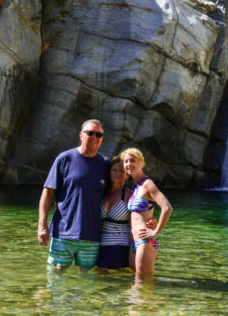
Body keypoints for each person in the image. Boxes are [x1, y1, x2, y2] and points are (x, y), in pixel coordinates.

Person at [37, 119, 110, 269]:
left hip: (92, 236)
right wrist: (42, 226)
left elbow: (118, 194)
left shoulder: (106, 164)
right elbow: (48, 192)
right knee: (55, 279)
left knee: (86, 284)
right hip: (63, 233)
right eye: (90, 133)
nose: (94, 137)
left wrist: (144, 215)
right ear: (81, 135)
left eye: (99, 134)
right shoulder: (65, 159)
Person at [121, 147, 172, 280]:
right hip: (134, 241)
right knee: (139, 283)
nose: (128, 164)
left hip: (144, 241)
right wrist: (151, 219)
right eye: (126, 161)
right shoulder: (136, 185)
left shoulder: (147, 184)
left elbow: (167, 208)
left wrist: (155, 232)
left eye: (132, 161)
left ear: (141, 162)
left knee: (143, 283)